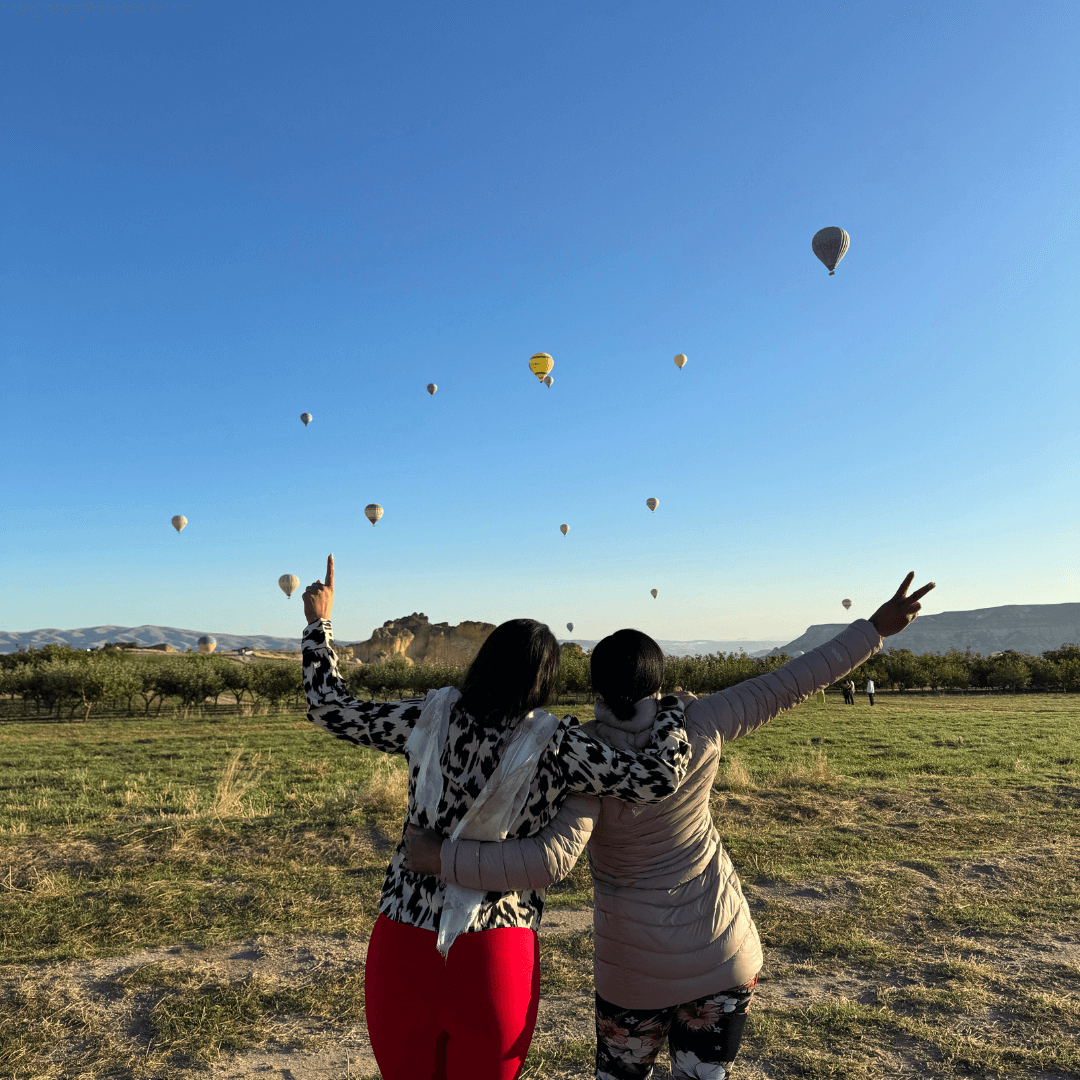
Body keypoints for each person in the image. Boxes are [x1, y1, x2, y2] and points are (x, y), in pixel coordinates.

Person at [405, 573, 934, 1080]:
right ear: (655, 684)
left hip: (632, 972)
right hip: (723, 954)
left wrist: (439, 857)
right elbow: (792, 681)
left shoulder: (579, 752)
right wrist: (874, 629)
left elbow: (548, 860)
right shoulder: (700, 721)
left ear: (595, 686)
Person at [299, 555, 691, 1080]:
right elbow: (656, 779)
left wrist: (317, 623)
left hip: (404, 941)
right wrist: (670, 713)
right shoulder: (559, 744)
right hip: (495, 950)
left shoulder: (427, 715)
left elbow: (331, 708)